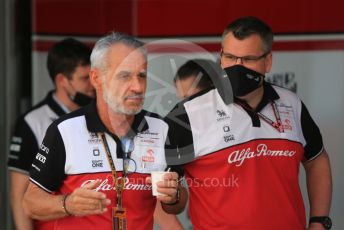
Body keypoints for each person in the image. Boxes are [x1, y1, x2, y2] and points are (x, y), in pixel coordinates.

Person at [165, 16, 332, 230]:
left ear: (268, 61)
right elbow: (167, 193)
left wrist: (319, 222)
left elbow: (317, 159)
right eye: (231, 57)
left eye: (248, 59)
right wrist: (170, 197)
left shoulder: (291, 104)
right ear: (221, 57)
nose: (237, 66)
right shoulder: (186, 114)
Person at [22, 32, 187, 230]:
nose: (137, 86)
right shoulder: (65, 130)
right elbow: (30, 203)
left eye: (142, 75)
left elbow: (178, 203)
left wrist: (174, 196)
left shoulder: (162, 129)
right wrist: (68, 204)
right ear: (96, 78)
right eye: (124, 75)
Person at [8, 38, 95, 230]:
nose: (93, 85)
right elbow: (18, 196)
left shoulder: (101, 116)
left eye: (93, 76)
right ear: (62, 80)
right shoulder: (32, 123)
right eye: (84, 78)